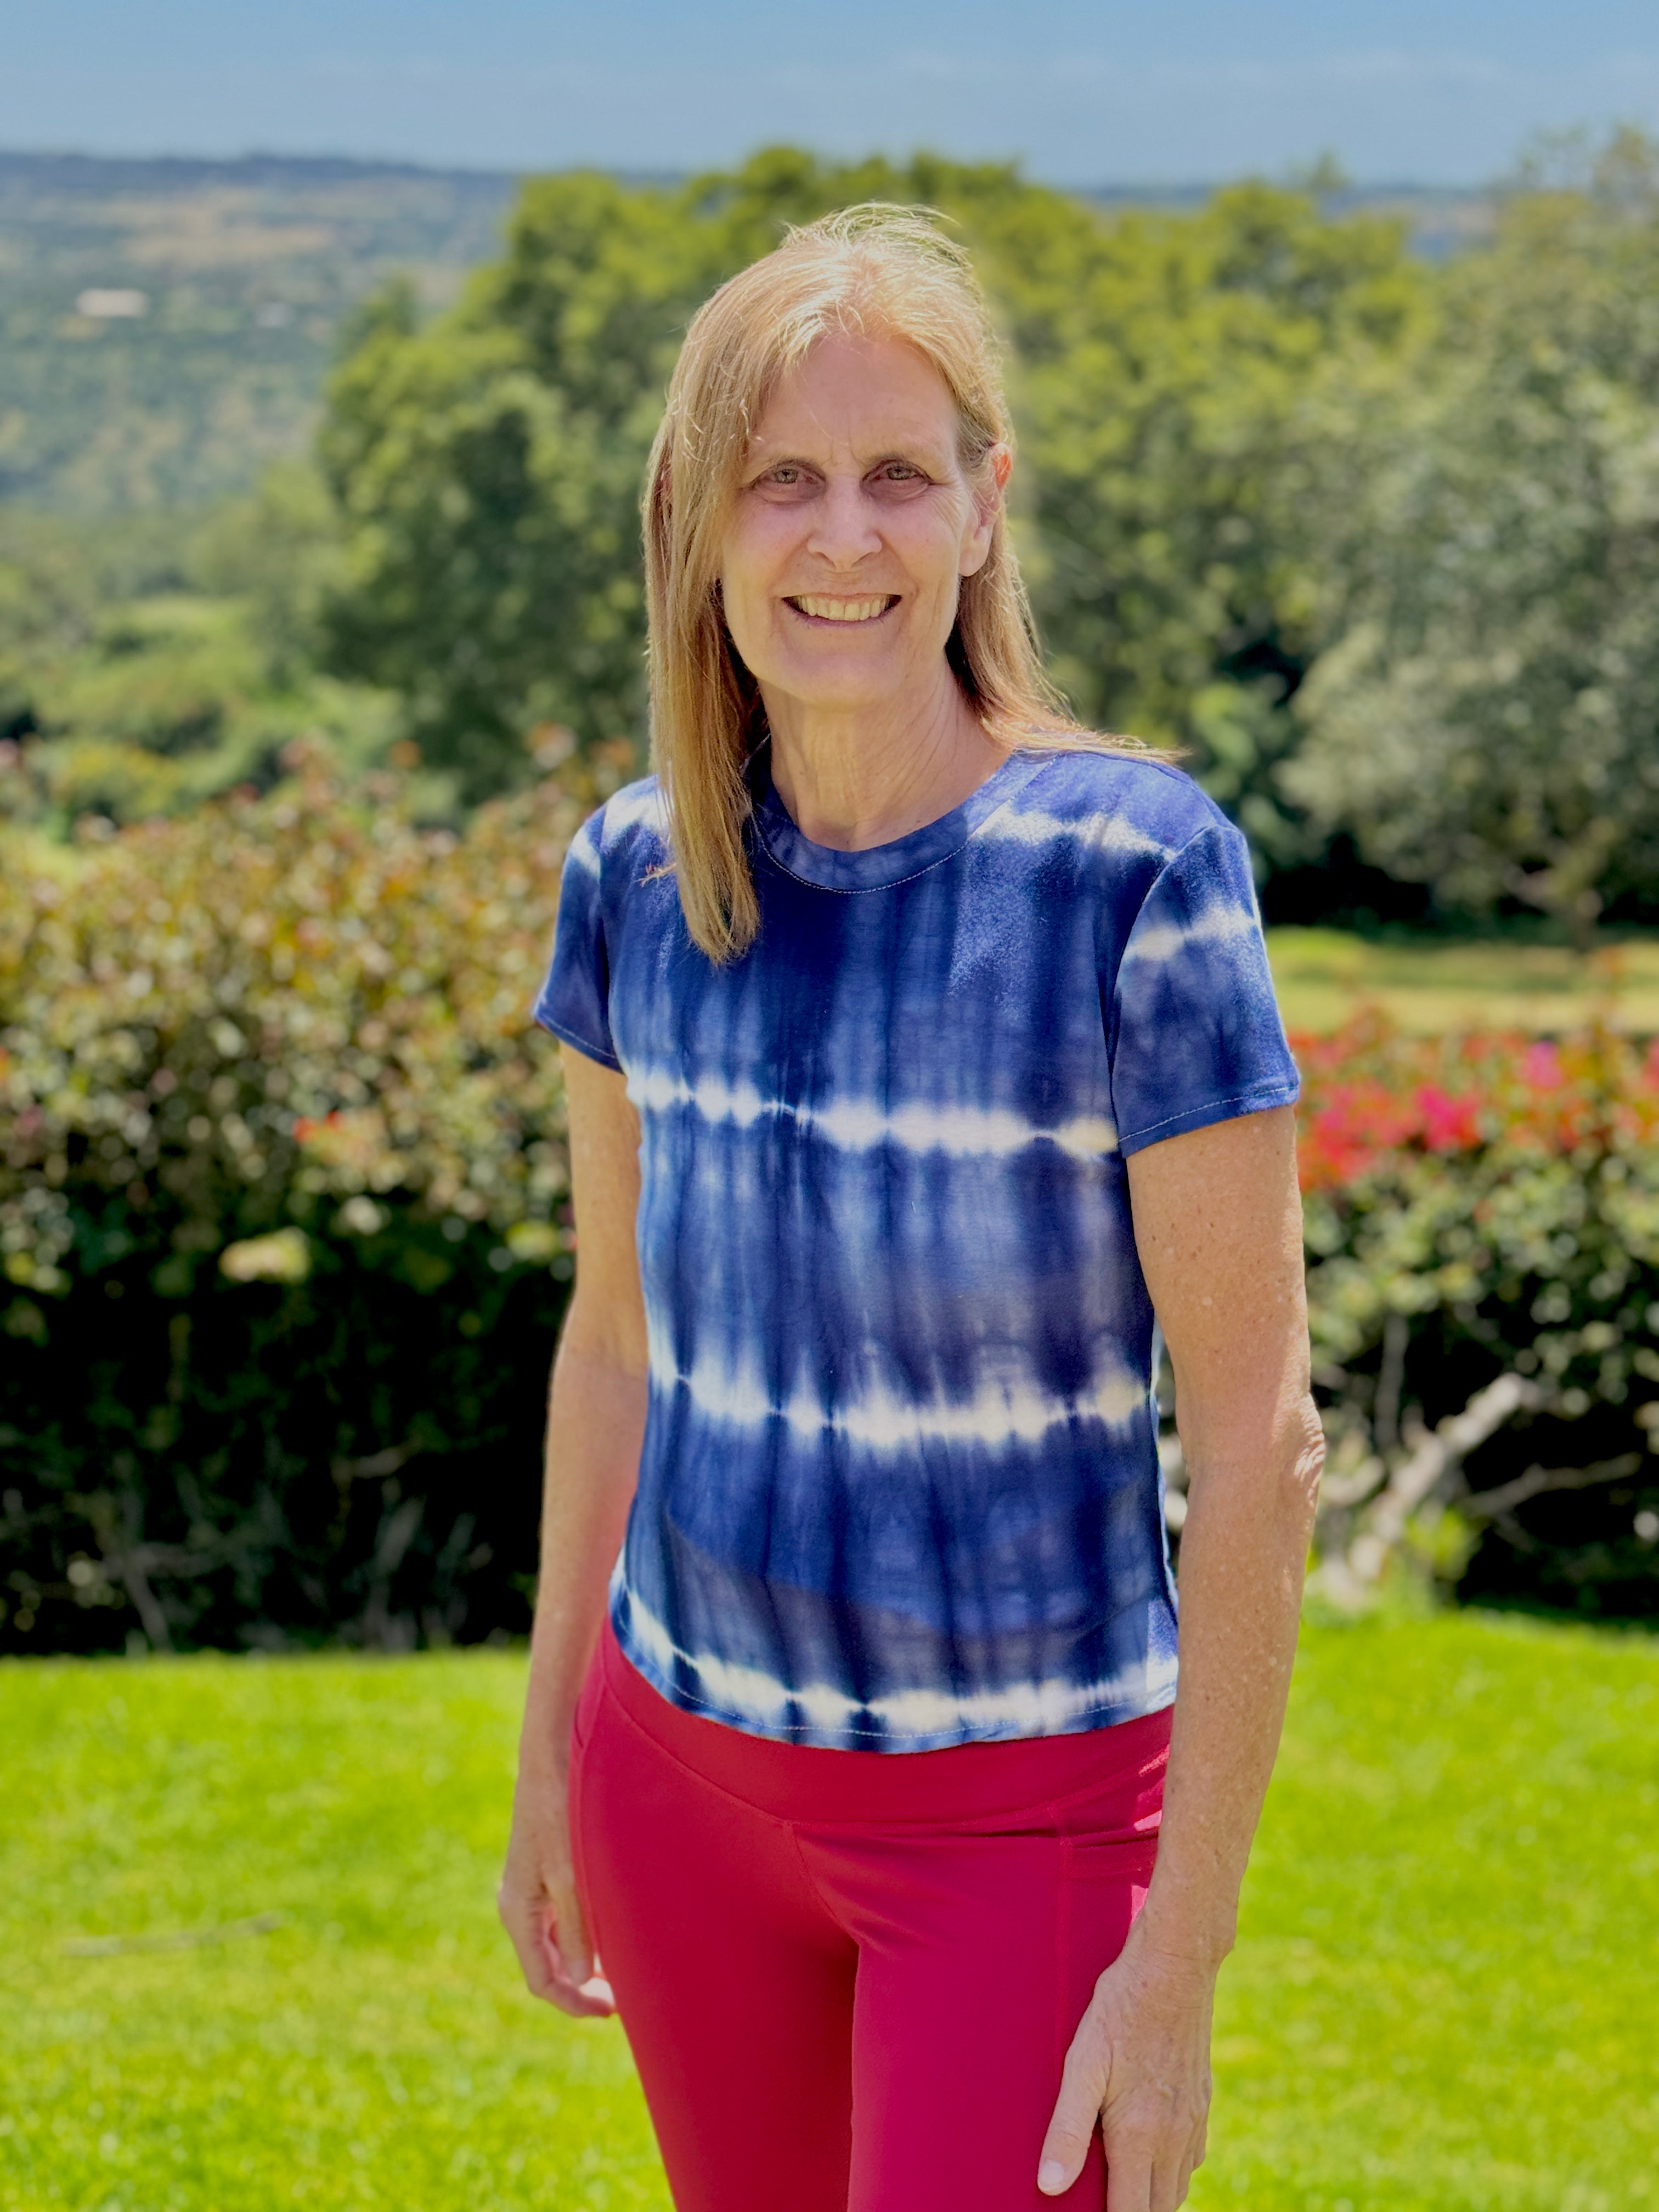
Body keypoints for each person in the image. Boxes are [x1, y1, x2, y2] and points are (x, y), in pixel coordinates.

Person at [499, 205, 1323, 2212]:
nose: (842, 535)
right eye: (780, 478)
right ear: (700, 524)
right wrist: (550, 1757)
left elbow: (1260, 1442)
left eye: (896, 474)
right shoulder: (635, 878)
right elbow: (614, 1345)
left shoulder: (1134, 878)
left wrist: (1179, 1966)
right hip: (678, 1792)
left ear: (981, 508)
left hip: (1023, 1833)